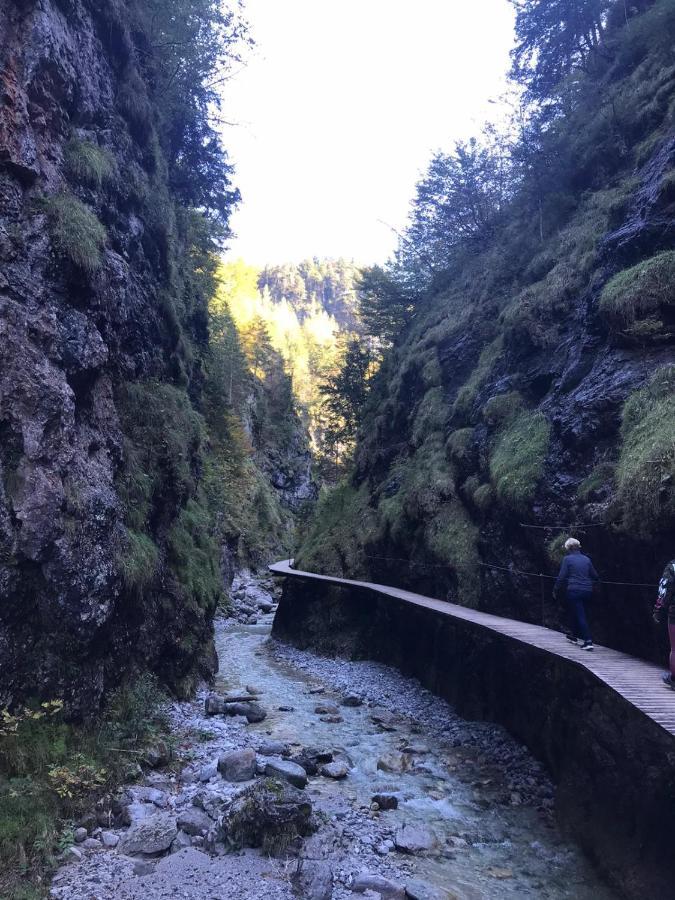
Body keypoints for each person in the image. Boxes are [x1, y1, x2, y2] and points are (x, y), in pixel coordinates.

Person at [554, 538, 599, 651]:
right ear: (579, 547)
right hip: (587, 591)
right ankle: (573, 637)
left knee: (580, 615)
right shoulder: (587, 559)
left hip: (574, 590)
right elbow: (595, 575)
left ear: (568, 548)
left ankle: (588, 641)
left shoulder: (567, 559)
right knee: (576, 612)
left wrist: (555, 589)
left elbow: (562, 576)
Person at [653, 559, 675, 689]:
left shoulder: (672, 566)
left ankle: (673, 679)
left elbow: (665, 590)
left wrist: (658, 610)